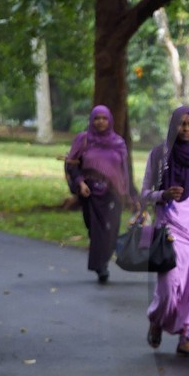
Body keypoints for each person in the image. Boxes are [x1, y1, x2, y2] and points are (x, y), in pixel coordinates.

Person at [142, 106, 189, 354]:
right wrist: (163, 194)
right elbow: (144, 194)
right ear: (173, 125)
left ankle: (187, 335)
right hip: (169, 231)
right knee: (168, 289)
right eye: (180, 124)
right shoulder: (159, 155)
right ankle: (156, 320)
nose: (185, 129)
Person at [64, 105, 134, 284]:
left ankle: (101, 266)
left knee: (110, 231)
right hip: (90, 192)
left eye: (104, 118)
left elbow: (124, 169)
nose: (100, 122)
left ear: (109, 120)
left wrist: (127, 193)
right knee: (95, 230)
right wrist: (80, 183)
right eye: (97, 118)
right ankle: (100, 263)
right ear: (92, 120)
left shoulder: (118, 142)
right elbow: (71, 164)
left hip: (113, 193)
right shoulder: (84, 140)